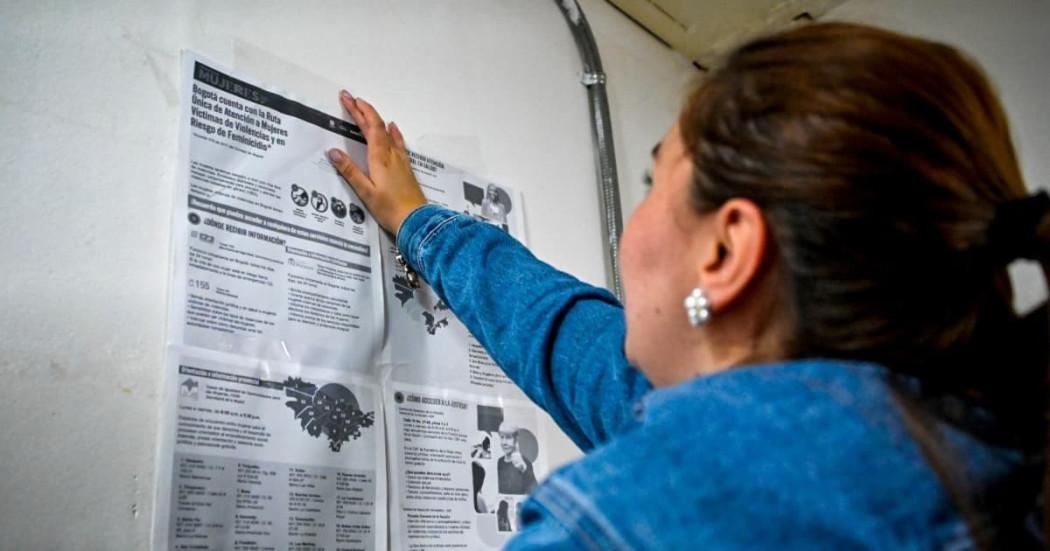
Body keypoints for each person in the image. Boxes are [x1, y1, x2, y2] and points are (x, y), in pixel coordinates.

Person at [326, 22, 1049, 549]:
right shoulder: (974, 451)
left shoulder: (620, 523)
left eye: (653, 181)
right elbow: (567, 335)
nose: (629, 229)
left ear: (727, 250)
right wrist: (422, 223)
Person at [495, 423, 538, 495]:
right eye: (502, 437)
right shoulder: (500, 462)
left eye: (508, 437)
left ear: (516, 440)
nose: (504, 442)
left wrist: (524, 470)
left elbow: (535, 491)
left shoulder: (525, 463)